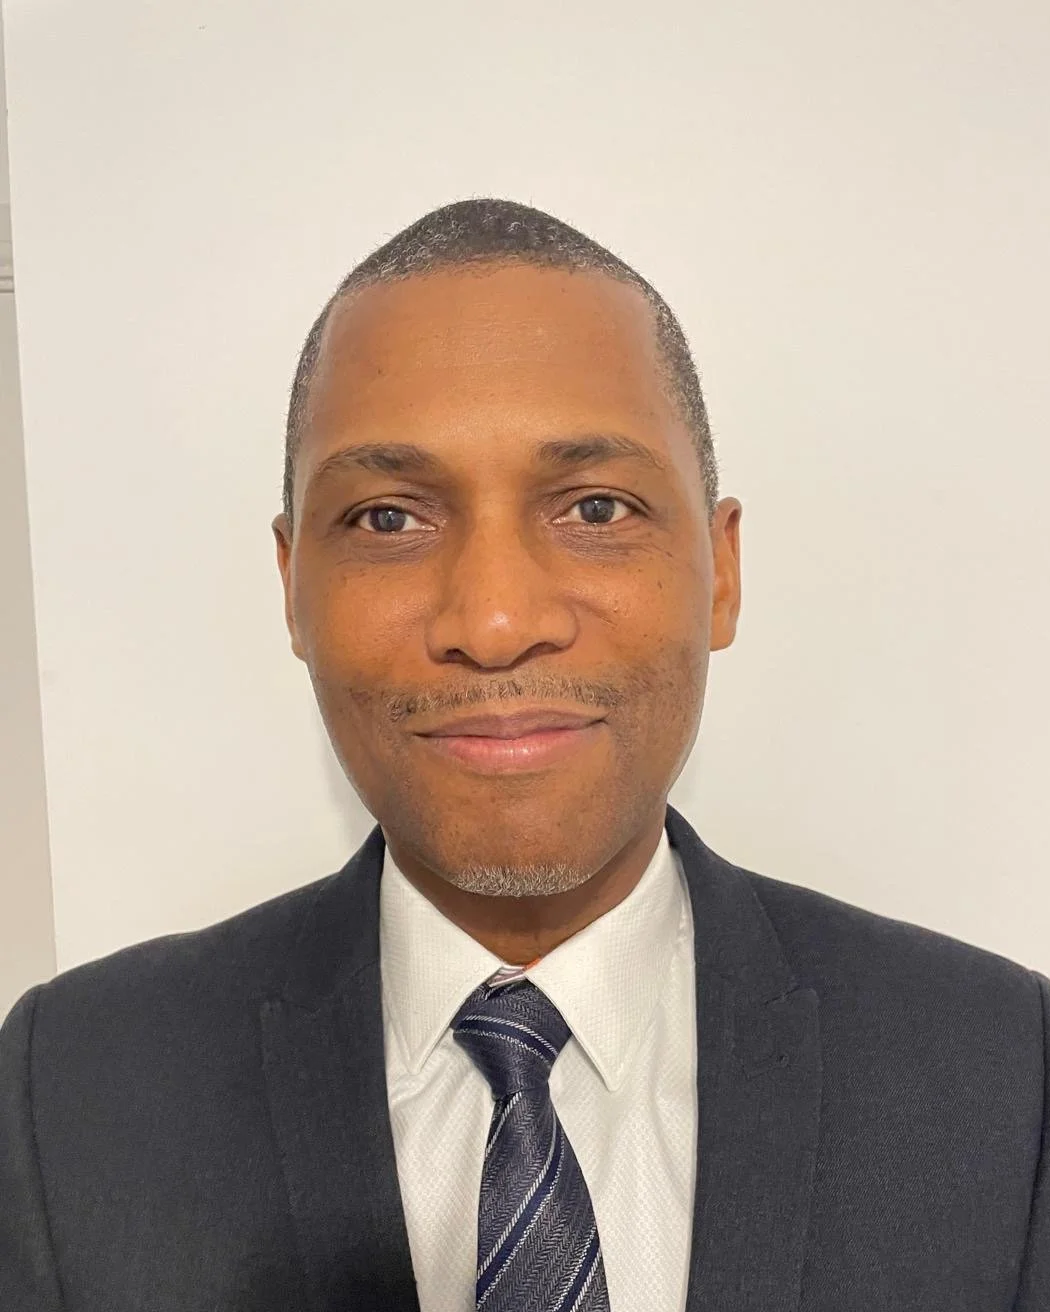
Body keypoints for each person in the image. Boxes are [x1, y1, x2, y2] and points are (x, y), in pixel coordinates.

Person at [0, 198, 1046, 1312]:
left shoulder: (1001, 1075)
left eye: (595, 507)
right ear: (292, 586)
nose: (495, 622)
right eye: (388, 519)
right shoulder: (69, 1094)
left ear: (722, 572)